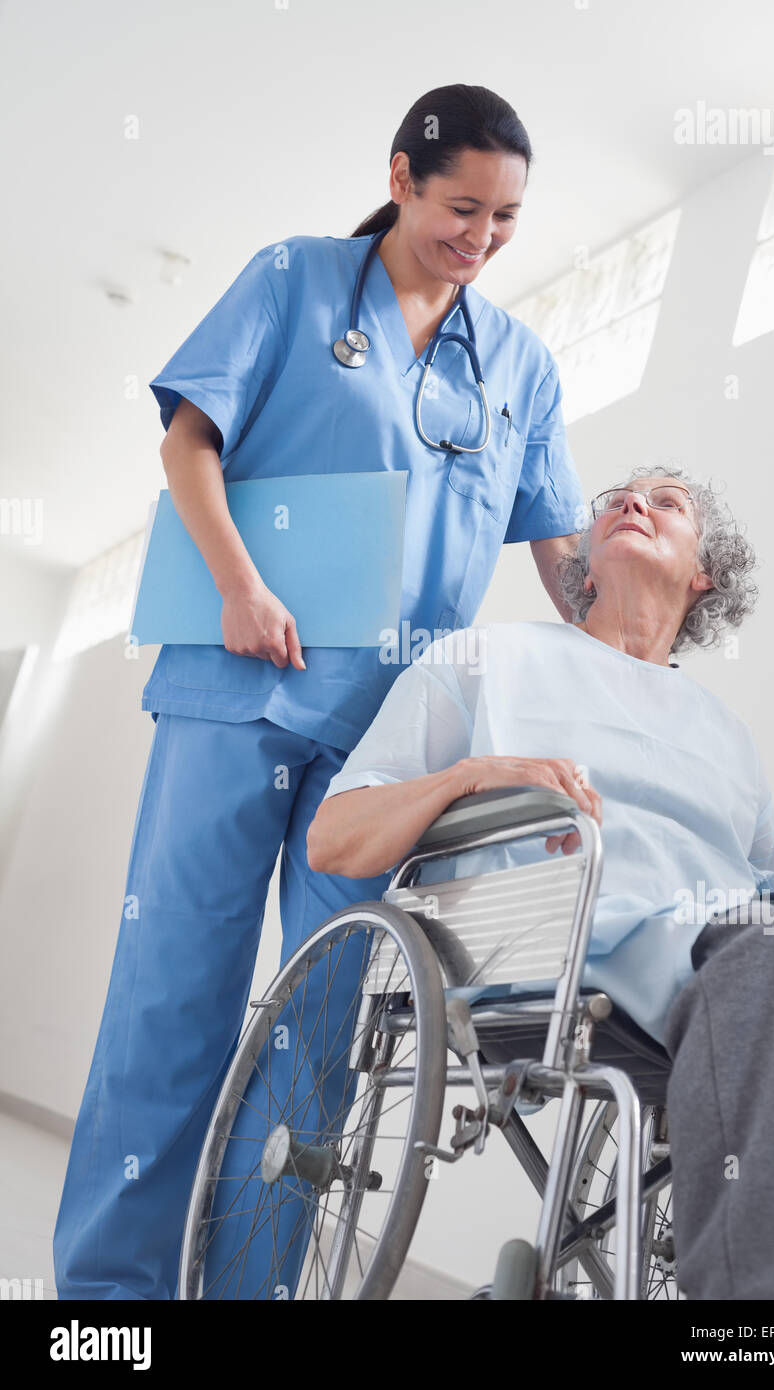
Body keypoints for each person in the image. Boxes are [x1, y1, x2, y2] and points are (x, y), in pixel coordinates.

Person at [53, 83, 586, 1300]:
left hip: (383, 744)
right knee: (171, 1000)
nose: (482, 239)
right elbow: (188, 440)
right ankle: (111, 1302)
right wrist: (239, 585)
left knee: (320, 1039)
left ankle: (250, 1291)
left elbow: (563, 563)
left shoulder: (520, 367)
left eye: (505, 220)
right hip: (238, 685)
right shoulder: (294, 280)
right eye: (462, 208)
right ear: (400, 177)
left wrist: (652, 601)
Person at [307, 465, 774, 1300]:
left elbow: (772, 904)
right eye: (617, 500)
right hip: (549, 942)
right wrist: (472, 775)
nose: (632, 503)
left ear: (705, 574)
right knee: (761, 947)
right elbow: (333, 837)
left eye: (666, 502)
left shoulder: (725, 734)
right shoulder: (491, 656)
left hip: (721, 955)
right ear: (586, 561)